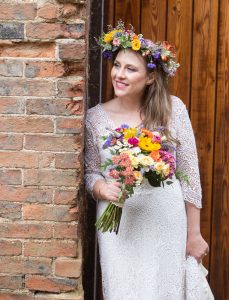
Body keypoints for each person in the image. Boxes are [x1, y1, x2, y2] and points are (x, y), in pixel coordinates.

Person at [85, 21, 213, 300]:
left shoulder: (172, 110)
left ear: (151, 77)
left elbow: (189, 175)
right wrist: (102, 189)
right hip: (119, 223)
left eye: (130, 69)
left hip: (165, 219)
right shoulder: (95, 117)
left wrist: (194, 234)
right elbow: (91, 172)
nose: (119, 74)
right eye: (116, 65)